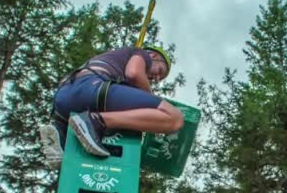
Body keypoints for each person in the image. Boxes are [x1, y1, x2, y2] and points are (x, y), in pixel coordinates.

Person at [39, 46, 184, 168]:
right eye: (160, 71)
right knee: (174, 118)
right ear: (153, 55)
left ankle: (59, 134)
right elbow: (133, 73)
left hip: (63, 98)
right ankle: (95, 121)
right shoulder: (142, 53)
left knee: (69, 161)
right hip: (91, 89)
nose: (157, 78)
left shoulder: (113, 59)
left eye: (160, 78)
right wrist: (152, 99)